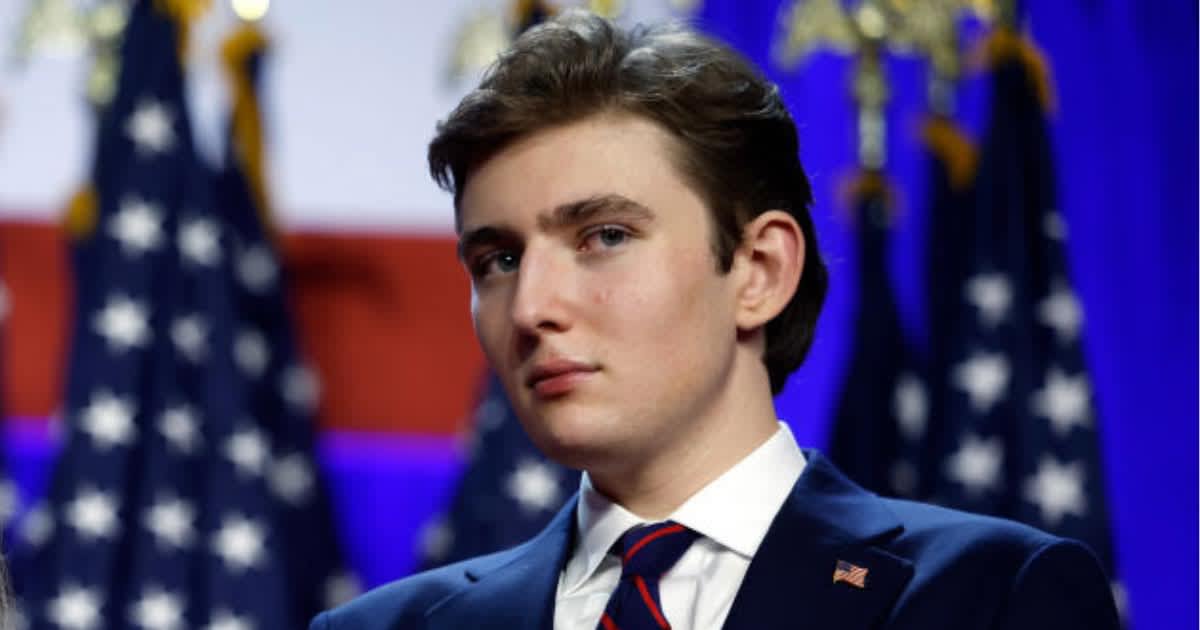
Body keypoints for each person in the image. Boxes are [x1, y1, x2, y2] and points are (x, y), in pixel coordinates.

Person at [311, 10, 1119, 630]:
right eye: (499, 260)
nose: (531, 309)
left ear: (760, 271)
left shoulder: (990, 599)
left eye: (605, 237)